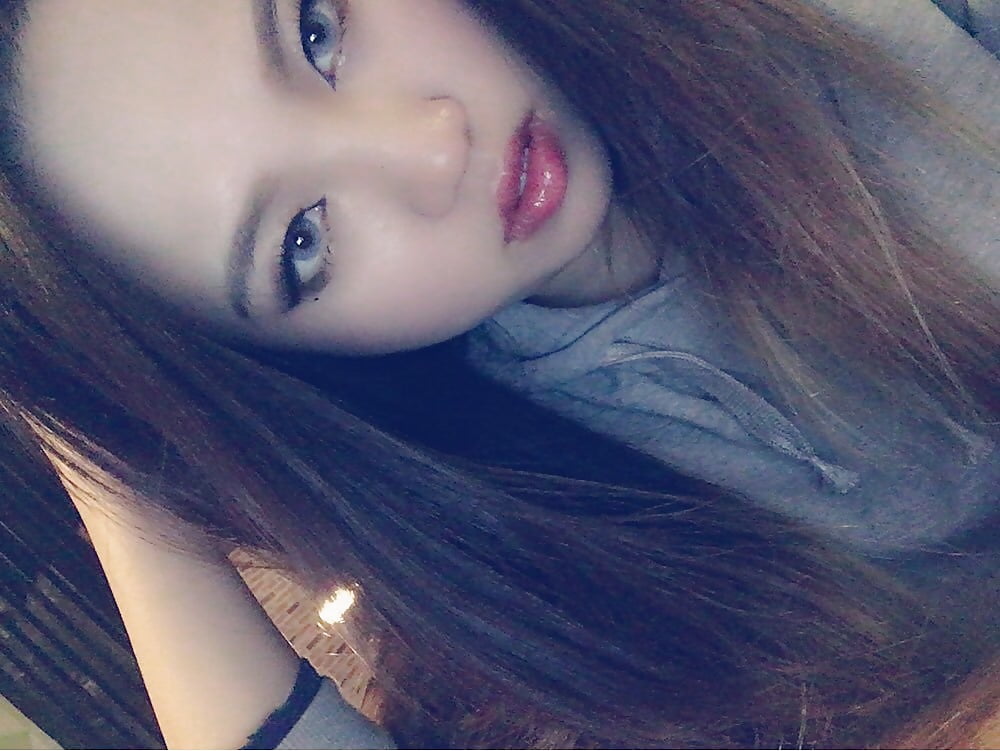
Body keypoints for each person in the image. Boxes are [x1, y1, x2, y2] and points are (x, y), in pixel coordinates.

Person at [0, 0, 997, 747]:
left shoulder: (830, 28)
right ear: (292, 367)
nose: (433, 148)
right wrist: (122, 460)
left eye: (315, 30)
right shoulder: (527, 524)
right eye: (301, 243)